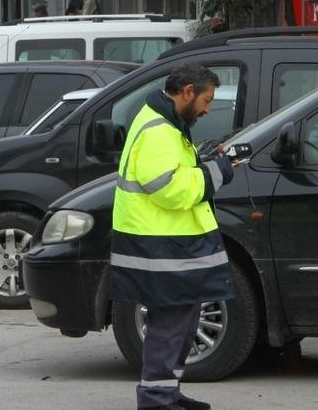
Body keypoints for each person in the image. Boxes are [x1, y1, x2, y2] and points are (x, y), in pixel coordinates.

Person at [111, 64, 235, 410]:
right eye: (207, 100)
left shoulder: (168, 124)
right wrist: (216, 172)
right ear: (187, 92)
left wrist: (203, 161)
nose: (209, 108)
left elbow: (173, 174)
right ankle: (155, 399)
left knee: (182, 322)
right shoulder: (159, 130)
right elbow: (168, 189)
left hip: (166, 245)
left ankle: (167, 393)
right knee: (169, 324)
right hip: (157, 247)